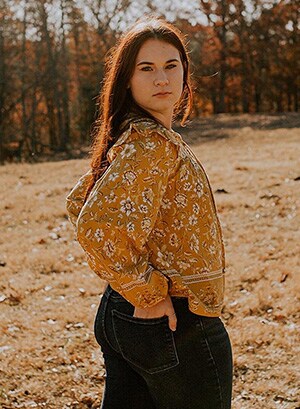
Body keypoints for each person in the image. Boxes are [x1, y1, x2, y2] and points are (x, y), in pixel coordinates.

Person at [66, 15, 233, 409]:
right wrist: (148, 292)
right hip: (173, 321)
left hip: (123, 312)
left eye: (171, 66)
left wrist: (134, 289)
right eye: (147, 68)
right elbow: (96, 223)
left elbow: (79, 202)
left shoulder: (132, 134)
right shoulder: (150, 143)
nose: (162, 78)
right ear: (127, 79)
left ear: (185, 74)